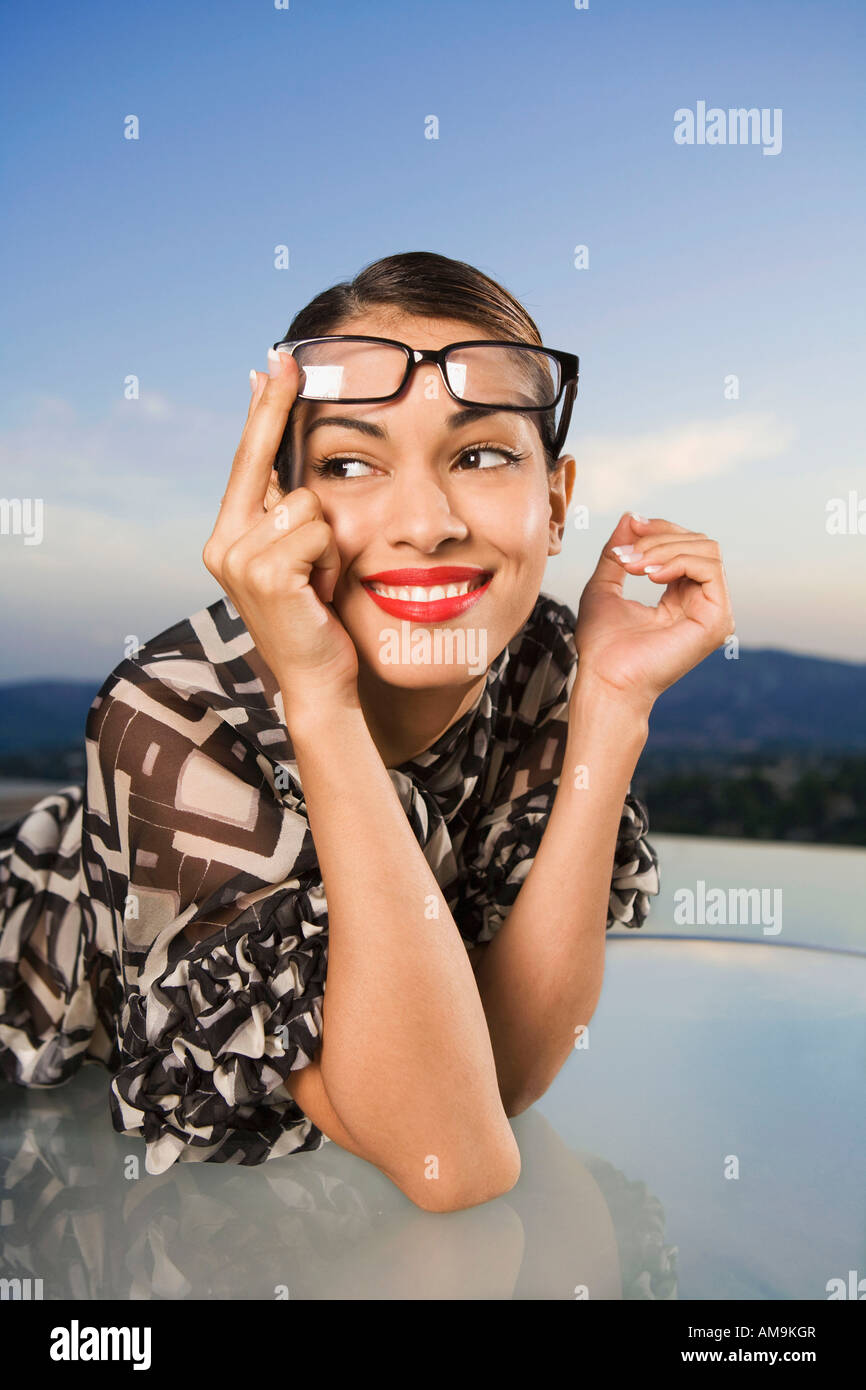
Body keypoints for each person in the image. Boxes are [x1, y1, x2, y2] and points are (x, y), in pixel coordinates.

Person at [0, 251, 734, 1212]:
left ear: (554, 505)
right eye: (350, 463)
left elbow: (497, 1083)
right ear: (276, 509)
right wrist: (318, 698)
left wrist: (614, 709)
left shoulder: (552, 657)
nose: (424, 523)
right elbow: (454, 1162)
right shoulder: (166, 712)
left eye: (479, 455)